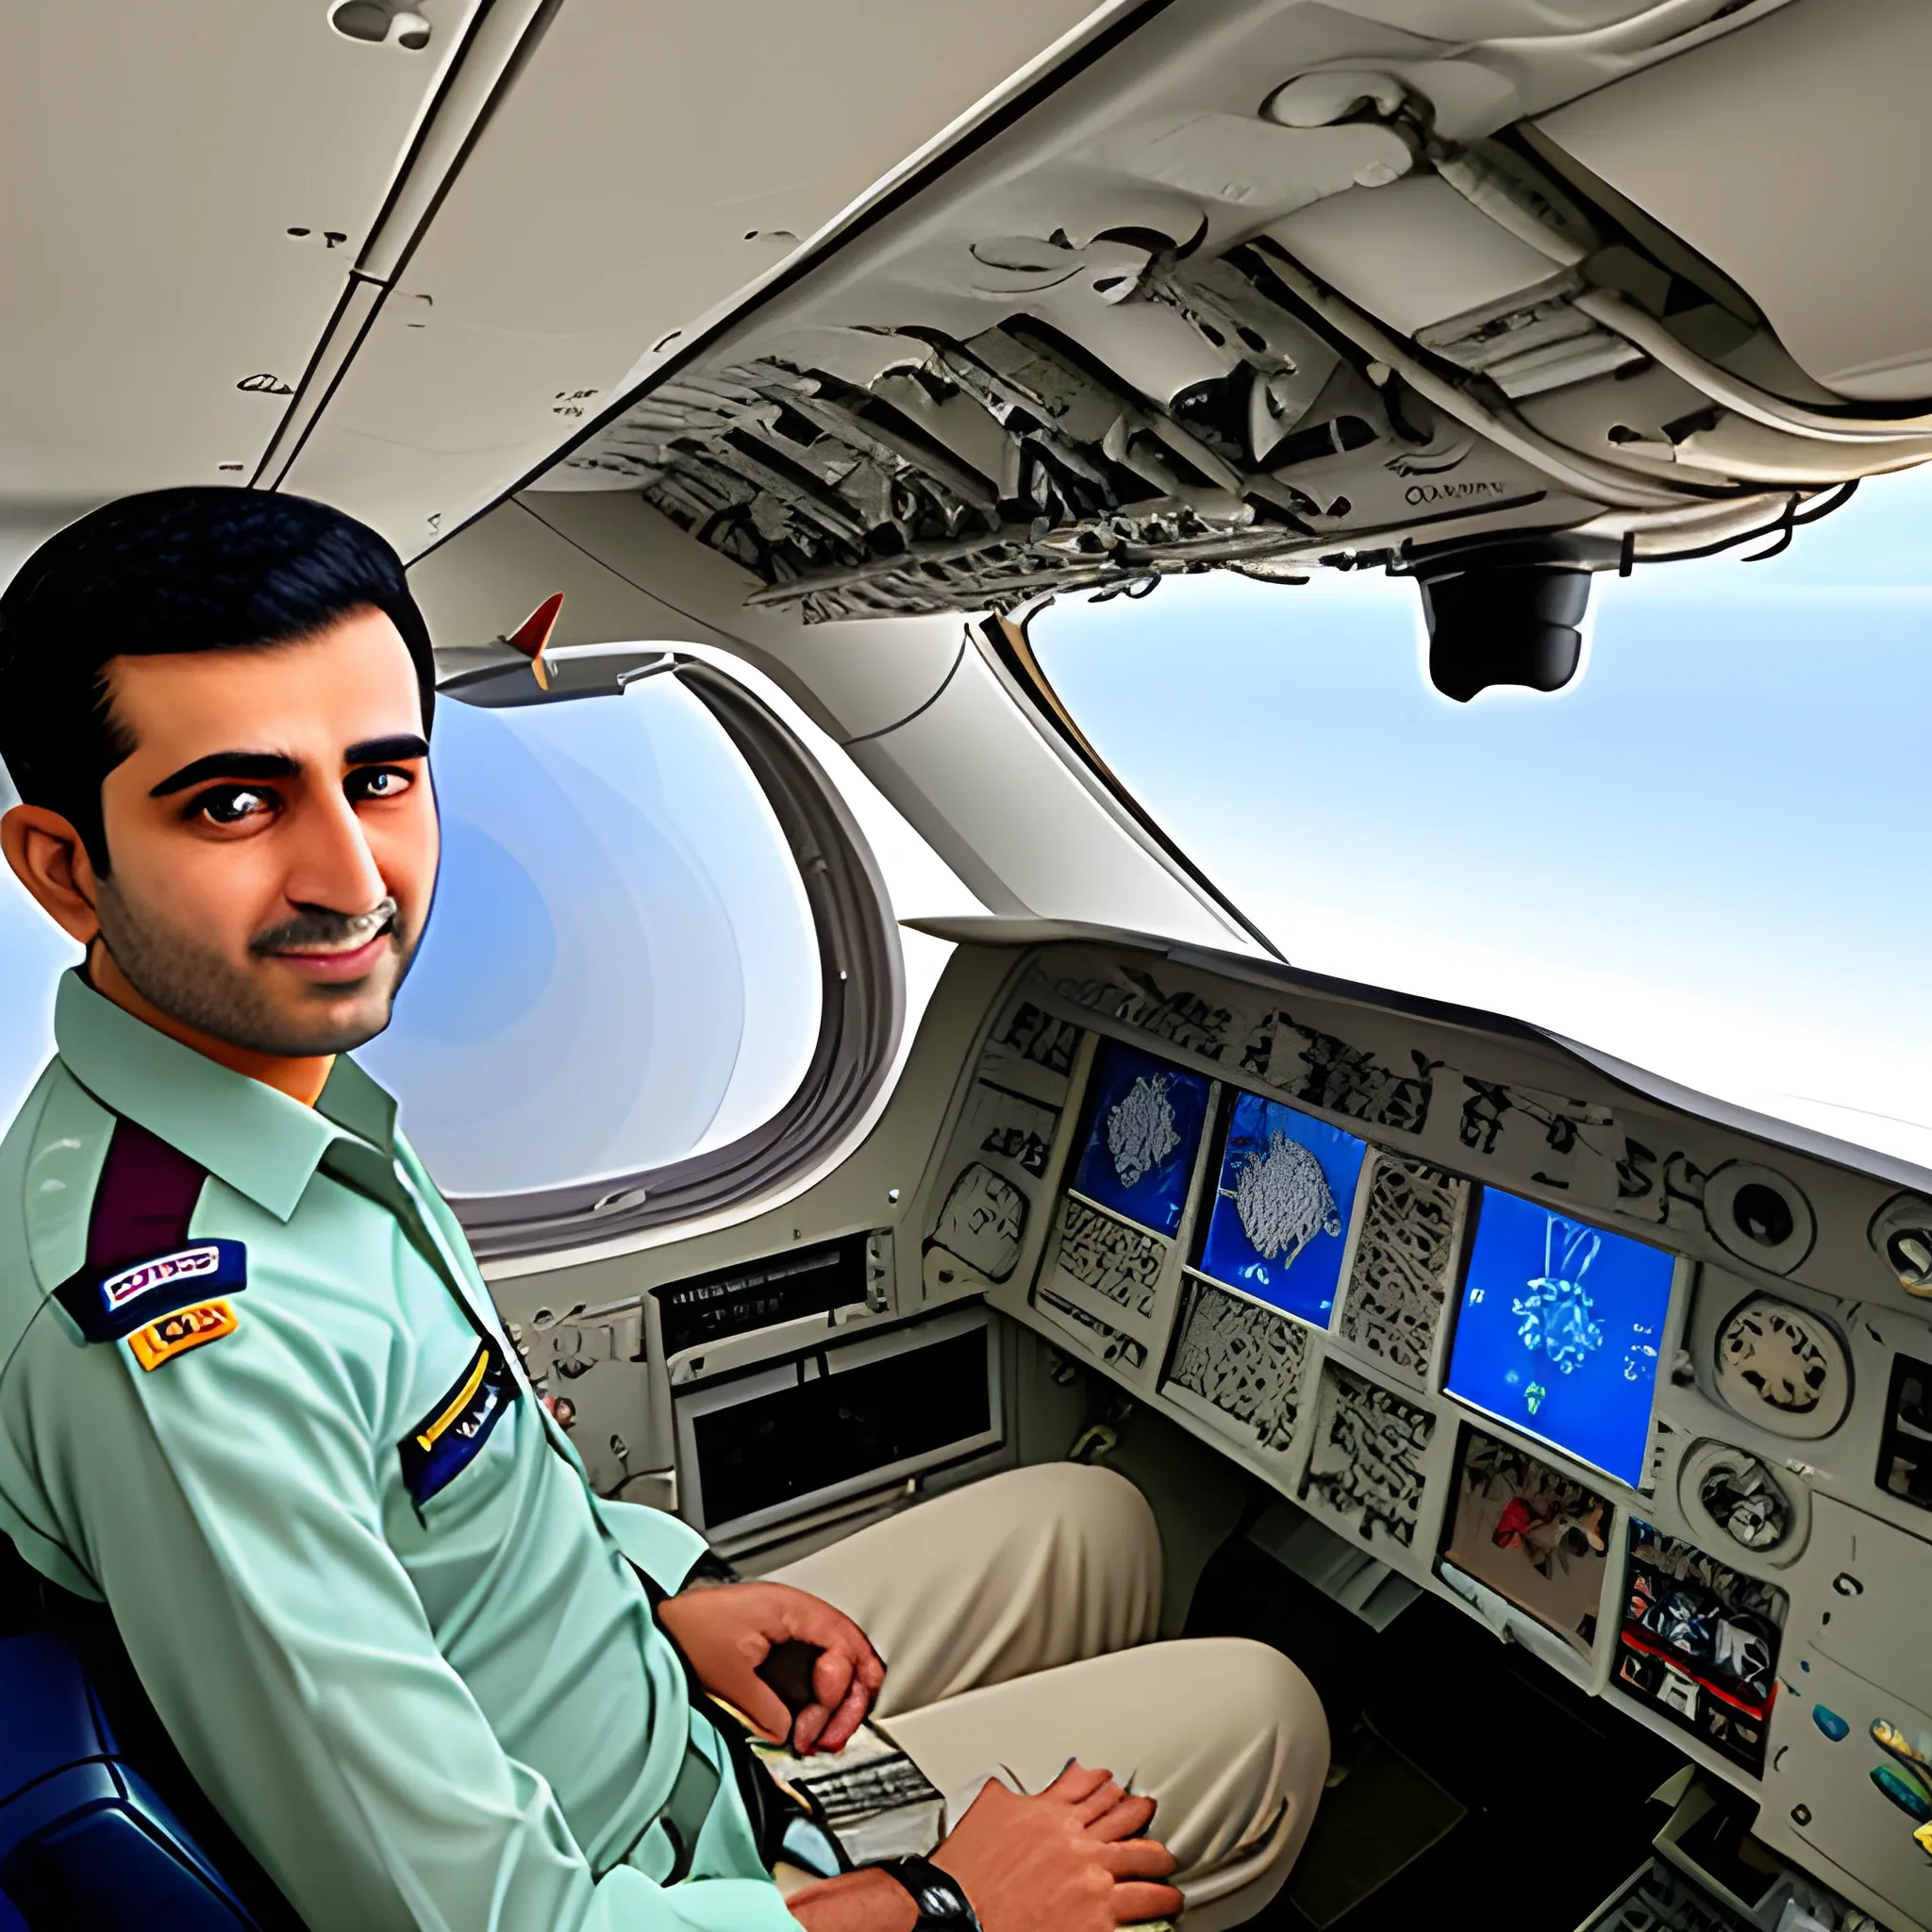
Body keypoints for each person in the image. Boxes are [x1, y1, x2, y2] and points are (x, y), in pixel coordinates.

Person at [0, 488, 1327, 1931]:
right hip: (664, 1886)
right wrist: (946, 1905)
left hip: (670, 1741)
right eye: (236, 803)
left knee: (1095, 1521)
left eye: (379, 776)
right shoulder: (192, 1340)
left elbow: (460, 1521)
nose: (349, 879)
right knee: (1266, 1719)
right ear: (66, 868)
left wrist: (665, 1599)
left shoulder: (275, 1118)